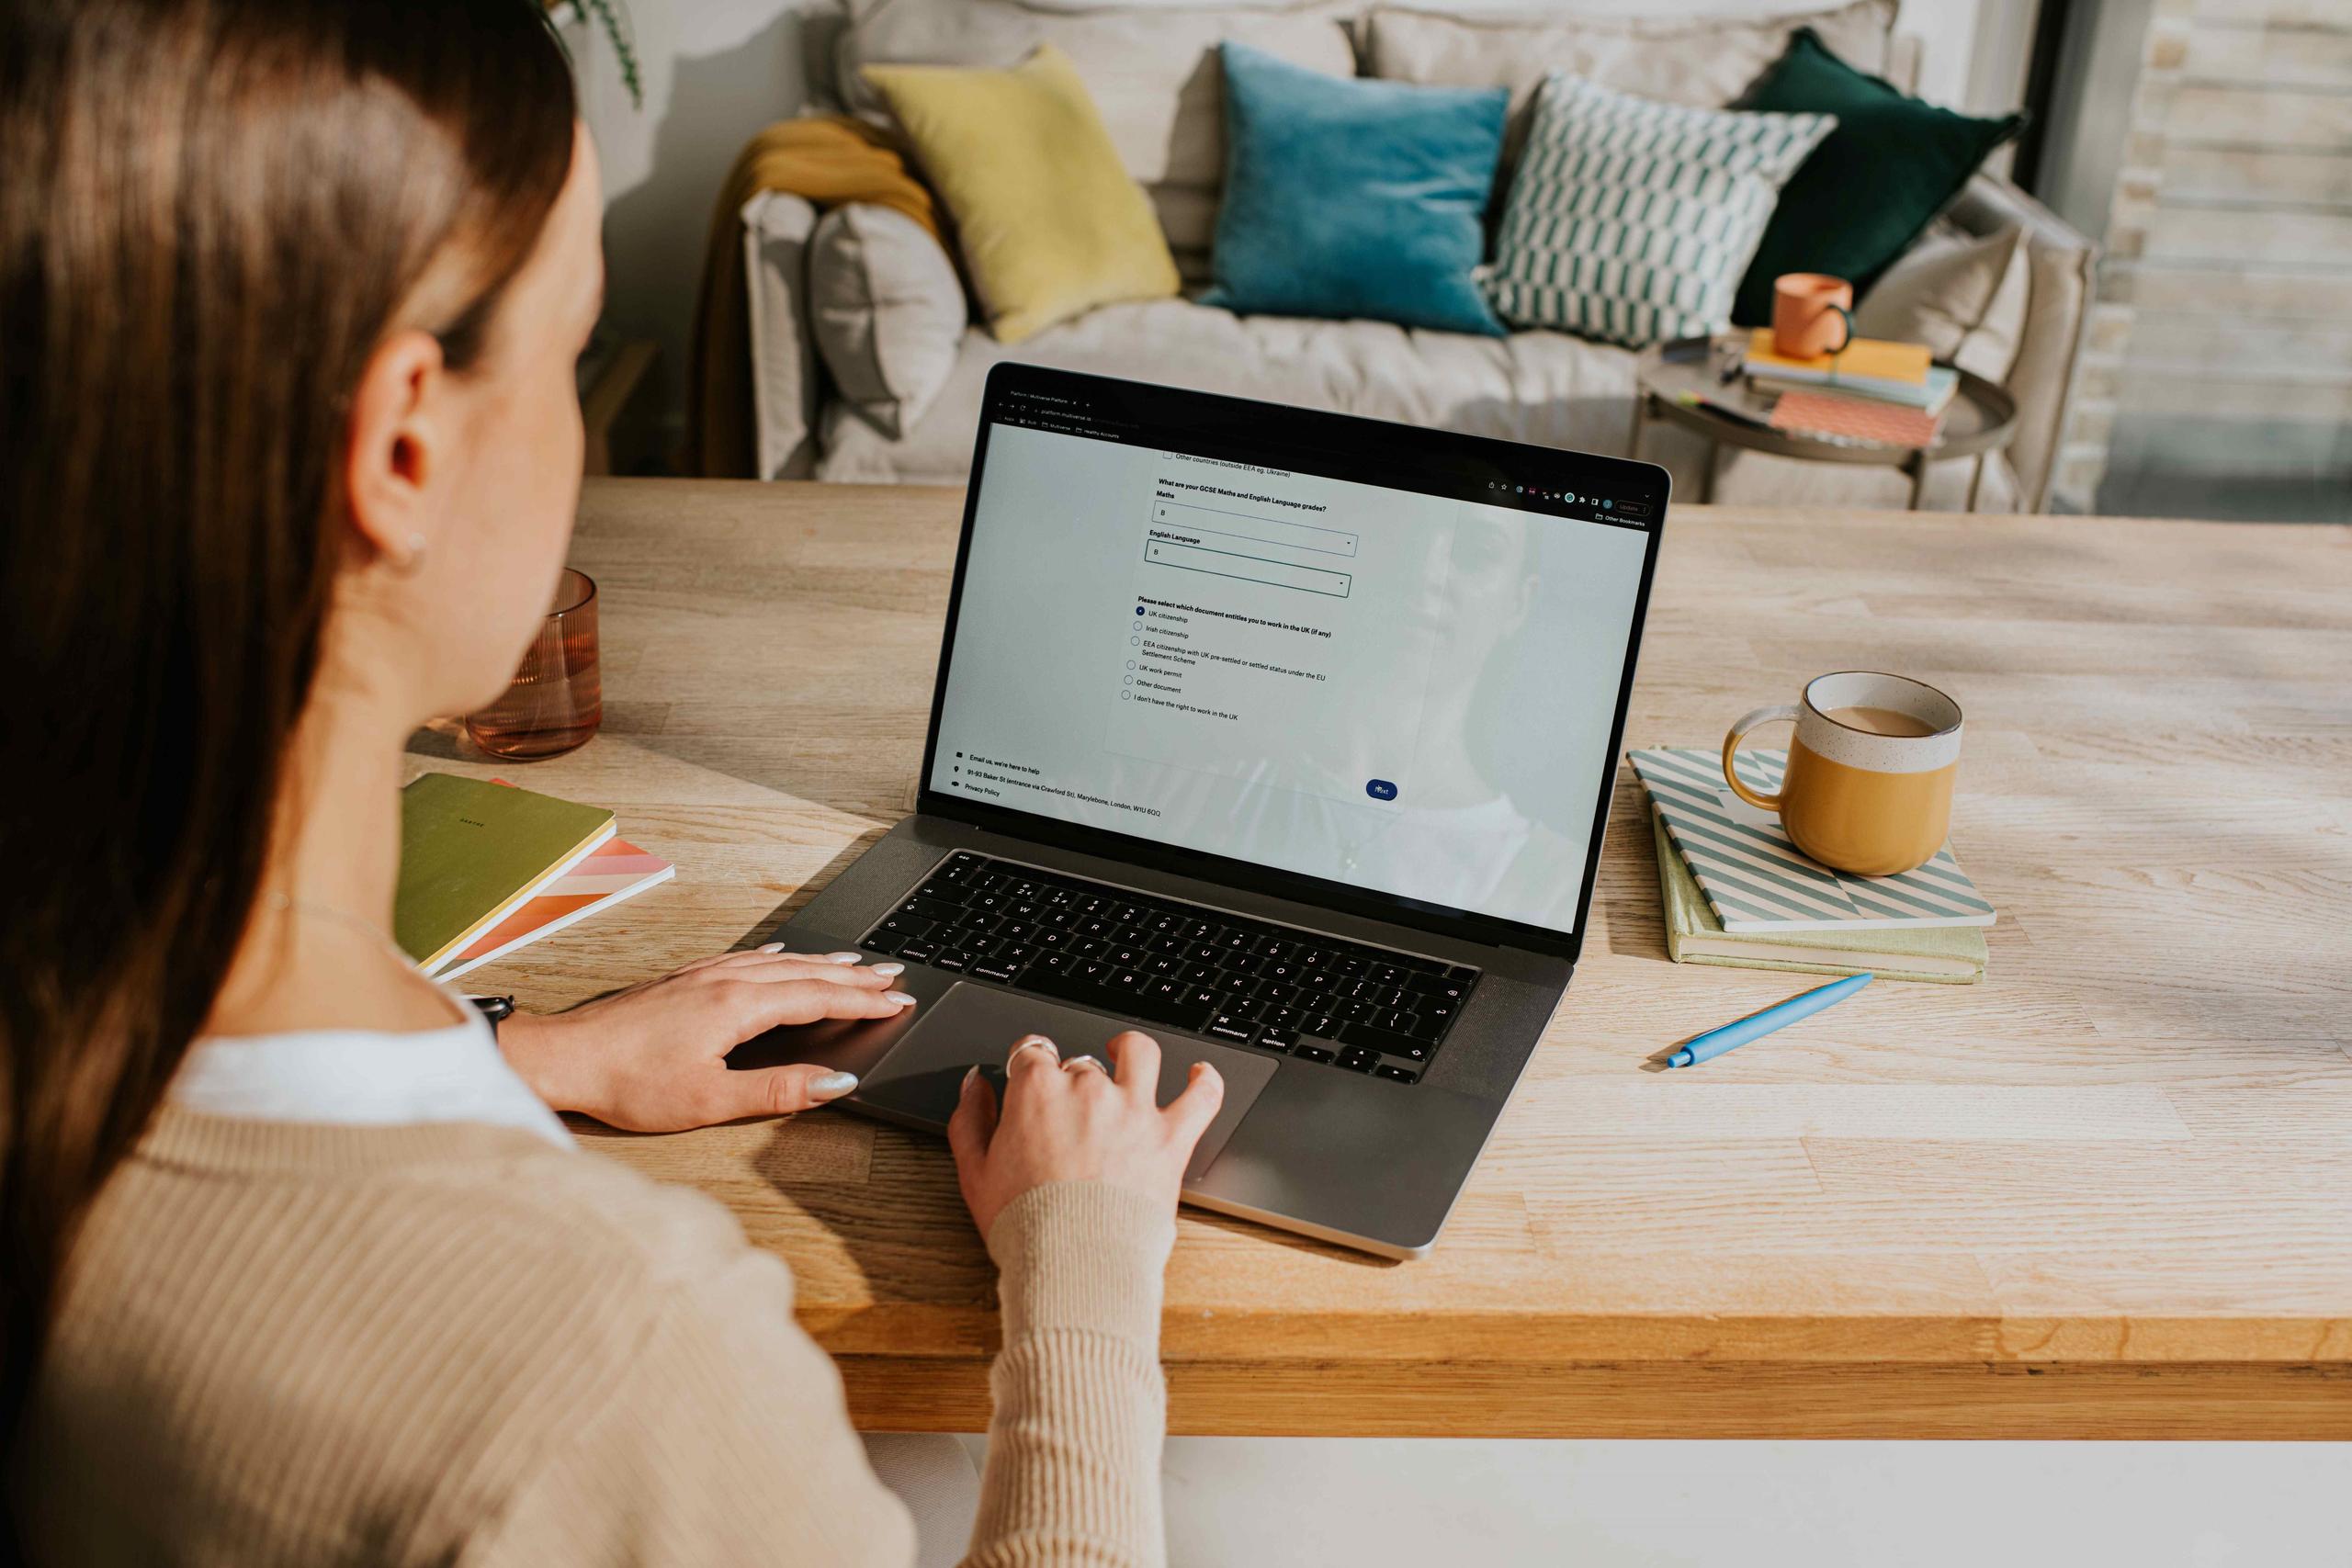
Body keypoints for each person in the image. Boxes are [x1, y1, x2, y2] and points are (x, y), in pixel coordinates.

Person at [0, 2, 1221, 1562]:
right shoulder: (605, 1366)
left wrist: (520, 1053)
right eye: (570, 350)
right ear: (401, 452)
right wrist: (1087, 1269)